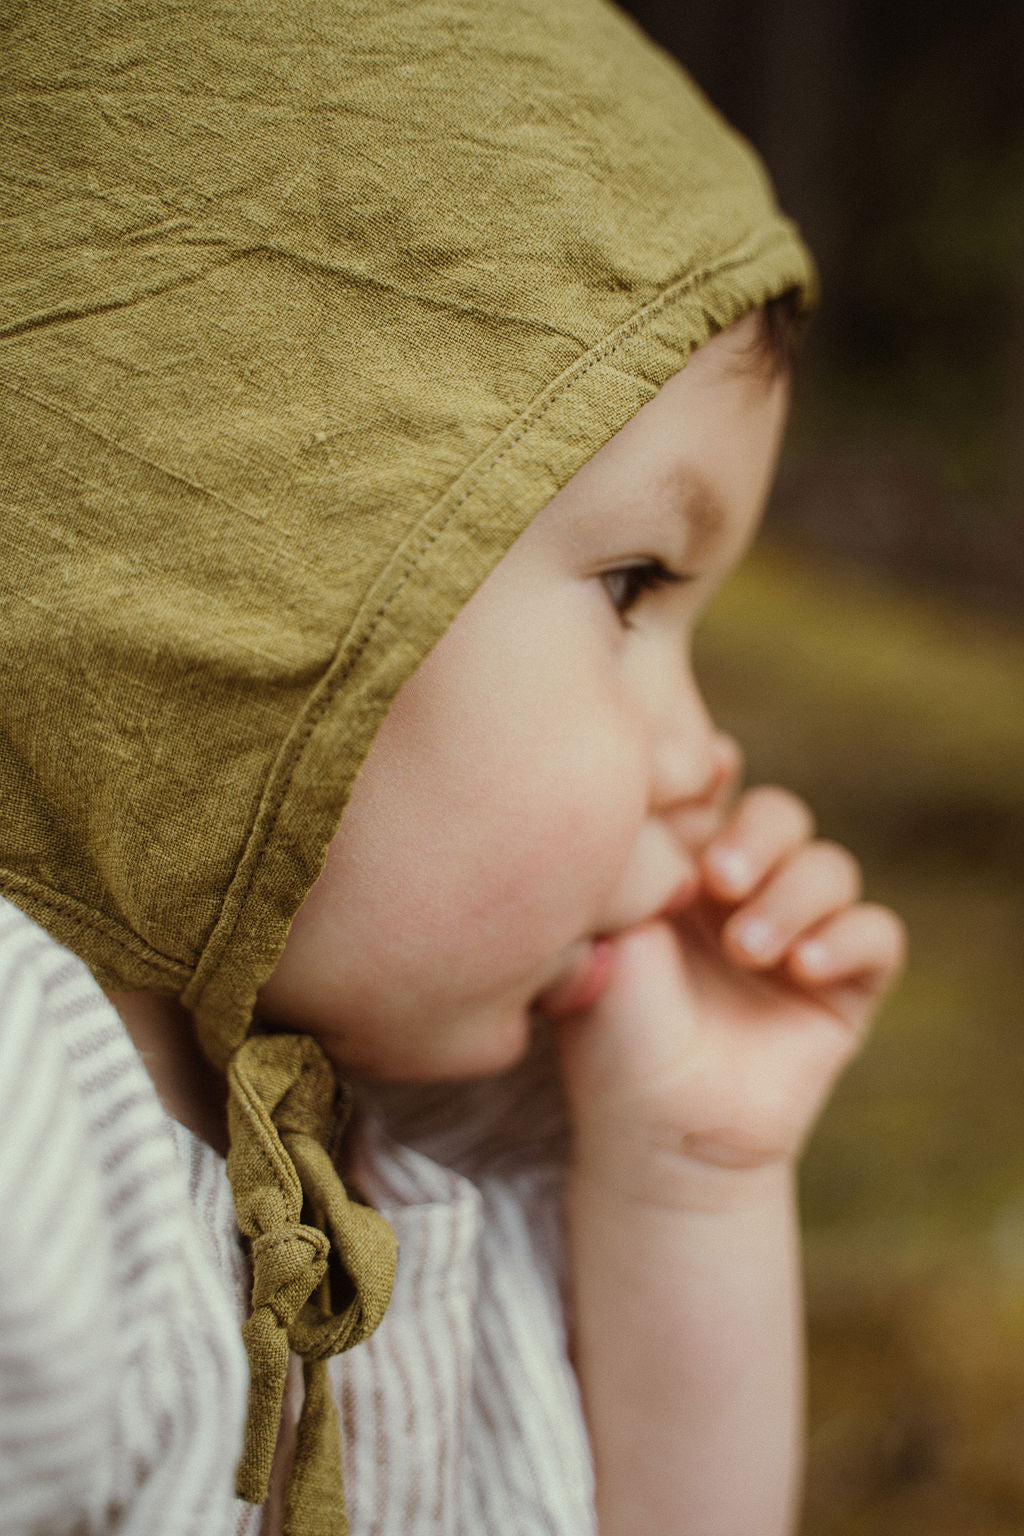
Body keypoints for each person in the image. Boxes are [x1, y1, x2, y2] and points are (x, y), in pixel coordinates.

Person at [0, 1, 905, 1533]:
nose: (709, 757)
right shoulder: (33, 1137)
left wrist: (692, 1172)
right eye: (633, 586)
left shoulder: (439, 1132)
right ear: (250, 575)